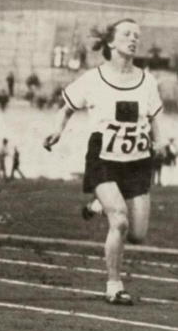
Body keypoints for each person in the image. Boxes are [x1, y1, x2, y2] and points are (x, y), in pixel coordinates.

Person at [44, 19, 164, 306]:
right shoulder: (92, 79)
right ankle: (114, 284)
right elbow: (65, 109)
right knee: (119, 221)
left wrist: (160, 142)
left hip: (137, 161)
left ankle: (97, 205)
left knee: (137, 234)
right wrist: (57, 130)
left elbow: (155, 118)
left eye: (137, 35)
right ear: (111, 42)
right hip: (104, 159)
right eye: (126, 34)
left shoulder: (147, 81)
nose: (133, 39)